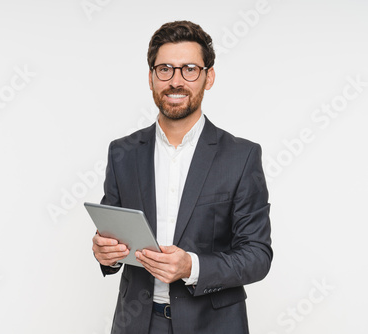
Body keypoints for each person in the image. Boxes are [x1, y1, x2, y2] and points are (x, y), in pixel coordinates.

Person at [91, 20, 272, 334]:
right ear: (151, 78)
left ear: (208, 76)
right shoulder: (123, 153)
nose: (176, 81)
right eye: (165, 69)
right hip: (137, 323)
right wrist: (106, 254)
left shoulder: (241, 157)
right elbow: (116, 237)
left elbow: (257, 255)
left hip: (213, 325)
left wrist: (193, 266)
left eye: (189, 69)